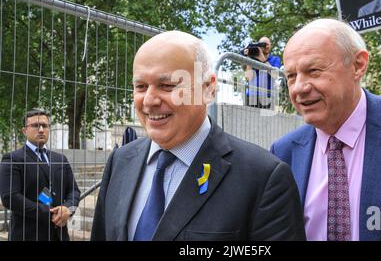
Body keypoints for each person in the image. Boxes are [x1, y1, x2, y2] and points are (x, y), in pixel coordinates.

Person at [91, 30, 305, 241]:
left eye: (167, 86)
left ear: (209, 89)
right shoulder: (120, 162)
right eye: (141, 86)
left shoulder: (263, 177)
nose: (149, 100)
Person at [270, 18, 381, 241]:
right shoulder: (283, 152)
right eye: (291, 76)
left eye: (313, 70)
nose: (299, 88)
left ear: (358, 65)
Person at [0, 109, 80, 241]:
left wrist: (68, 209)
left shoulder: (60, 159)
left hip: (59, 235)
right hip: (27, 234)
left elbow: (74, 191)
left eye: (45, 125)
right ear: (24, 131)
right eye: (36, 125)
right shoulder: (13, 159)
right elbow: (10, 197)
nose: (41, 130)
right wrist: (51, 214)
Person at [244, 36, 282, 108]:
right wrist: (249, 58)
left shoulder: (275, 59)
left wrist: (263, 59)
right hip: (251, 95)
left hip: (267, 97)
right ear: (258, 46)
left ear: (270, 45)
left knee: (265, 119)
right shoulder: (252, 59)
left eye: (267, 44)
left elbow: (275, 75)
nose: (266, 46)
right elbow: (248, 78)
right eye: (263, 44)